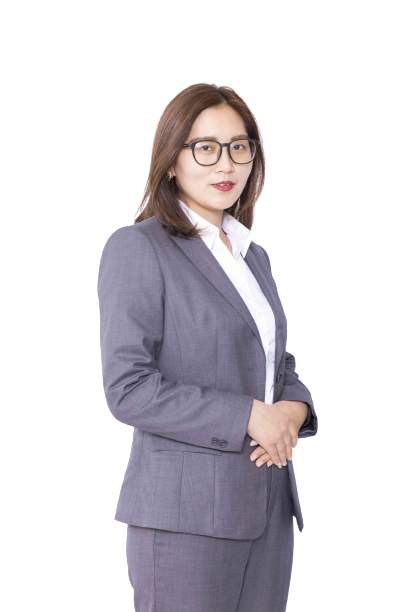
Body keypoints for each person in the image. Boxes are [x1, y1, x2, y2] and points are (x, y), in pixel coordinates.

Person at [97, 82, 317, 612]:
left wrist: (295, 408)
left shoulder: (251, 255)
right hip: (186, 520)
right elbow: (128, 388)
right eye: (205, 147)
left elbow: (274, 359)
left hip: (269, 509)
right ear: (171, 160)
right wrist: (248, 416)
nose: (226, 164)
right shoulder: (137, 248)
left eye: (239, 147)